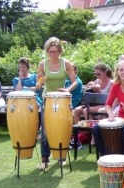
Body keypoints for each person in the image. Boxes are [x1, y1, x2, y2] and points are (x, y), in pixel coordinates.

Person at [37, 37, 78, 170]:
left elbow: (75, 82)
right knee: (45, 131)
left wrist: (67, 89)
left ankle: (62, 157)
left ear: (60, 51)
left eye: (55, 51)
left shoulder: (65, 63)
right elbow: (38, 85)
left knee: (61, 128)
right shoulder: (42, 64)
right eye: (50, 51)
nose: (52, 54)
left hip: (62, 99)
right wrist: (41, 81)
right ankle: (45, 158)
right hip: (47, 99)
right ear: (47, 52)